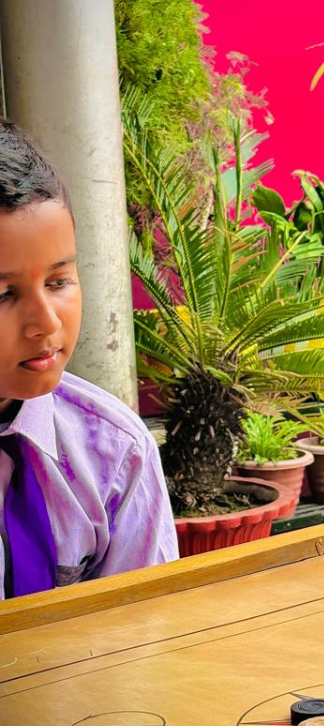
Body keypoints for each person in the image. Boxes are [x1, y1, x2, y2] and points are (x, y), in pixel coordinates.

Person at [0, 119, 178, 599]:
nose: (45, 323)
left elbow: (143, 624)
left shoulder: (116, 452)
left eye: (58, 282)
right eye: (2, 294)